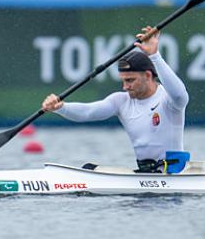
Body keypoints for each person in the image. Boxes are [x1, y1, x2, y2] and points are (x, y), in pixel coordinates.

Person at [41, 26, 189, 172]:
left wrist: (155, 56)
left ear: (148, 76)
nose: (125, 87)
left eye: (130, 80)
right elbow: (88, 112)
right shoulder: (121, 101)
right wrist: (60, 107)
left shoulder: (169, 100)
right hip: (146, 175)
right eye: (123, 81)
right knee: (89, 169)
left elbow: (180, 94)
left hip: (173, 175)